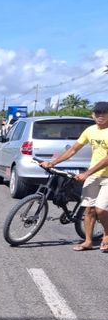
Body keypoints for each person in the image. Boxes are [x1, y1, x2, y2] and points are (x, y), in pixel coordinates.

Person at [41, 101, 108, 252]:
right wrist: (53, 163)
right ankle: (88, 241)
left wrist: (86, 173)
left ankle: (107, 235)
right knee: (89, 210)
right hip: (94, 175)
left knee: (101, 209)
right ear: (92, 115)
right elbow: (73, 150)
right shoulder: (90, 130)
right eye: (97, 112)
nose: (100, 115)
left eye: (104, 112)